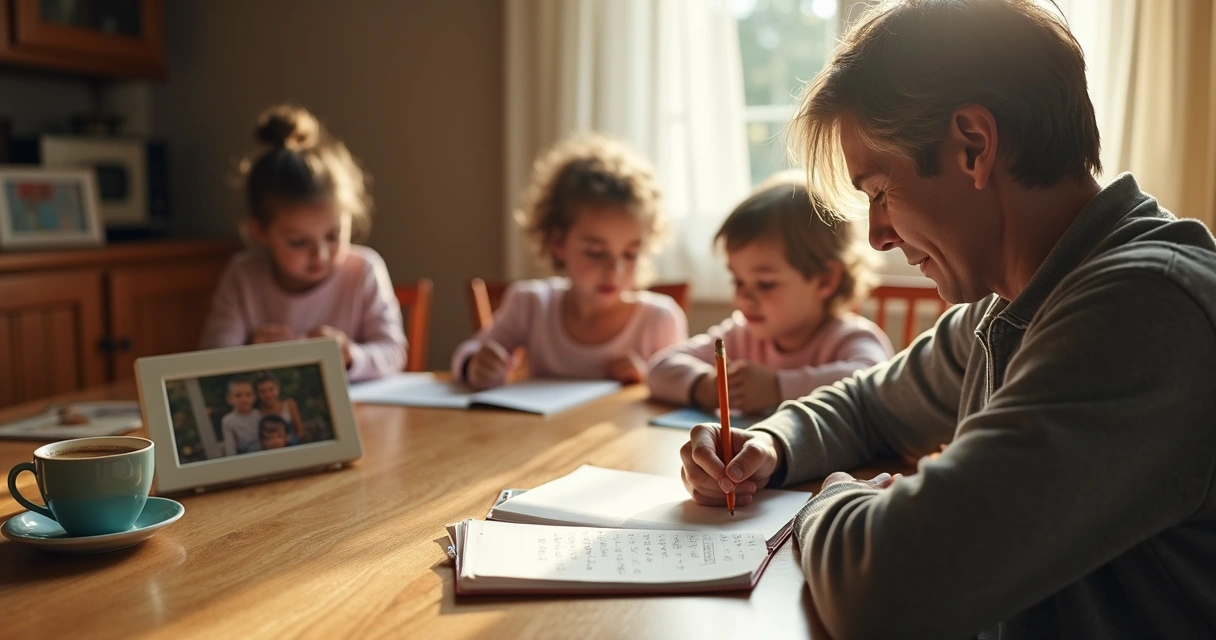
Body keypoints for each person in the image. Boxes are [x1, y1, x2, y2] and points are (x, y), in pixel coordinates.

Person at [678, 1, 1216, 637]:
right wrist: (770, 445)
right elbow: (868, 405)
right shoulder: (1013, 300)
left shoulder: (1144, 309)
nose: (876, 236)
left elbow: (890, 585)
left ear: (973, 144)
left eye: (878, 191)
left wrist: (831, 500)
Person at [452, 133, 688, 390]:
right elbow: (469, 352)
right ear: (558, 242)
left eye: (630, 254)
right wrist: (475, 363)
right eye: (596, 252)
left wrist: (646, 378)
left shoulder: (658, 320)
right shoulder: (530, 305)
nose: (615, 271)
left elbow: (675, 388)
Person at [648, 172, 892, 415]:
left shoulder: (850, 339)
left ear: (825, 280)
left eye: (765, 284)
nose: (743, 298)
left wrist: (777, 388)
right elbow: (659, 368)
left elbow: (874, 382)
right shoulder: (741, 334)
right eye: (737, 281)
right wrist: (706, 386)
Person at [198, 104, 406, 381]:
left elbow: (393, 352)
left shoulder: (364, 269)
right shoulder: (243, 275)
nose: (320, 254)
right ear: (259, 231)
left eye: (333, 236)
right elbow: (212, 358)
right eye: (298, 242)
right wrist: (251, 353)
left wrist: (350, 355)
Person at [254, 371, 304, 444]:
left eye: (271, 389)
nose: (268, 394)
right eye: (263, 391)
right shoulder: (257, 413)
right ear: (258, 394)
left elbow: (300, 431)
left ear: (277, 388)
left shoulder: (289, 404)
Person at [220, 378, 262, 456]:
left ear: (254, 397)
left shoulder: (258, 414)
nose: (244, 399)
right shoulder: (228, 421)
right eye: (238, 396)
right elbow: (230, 449)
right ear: (229, 399)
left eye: (248, 395)